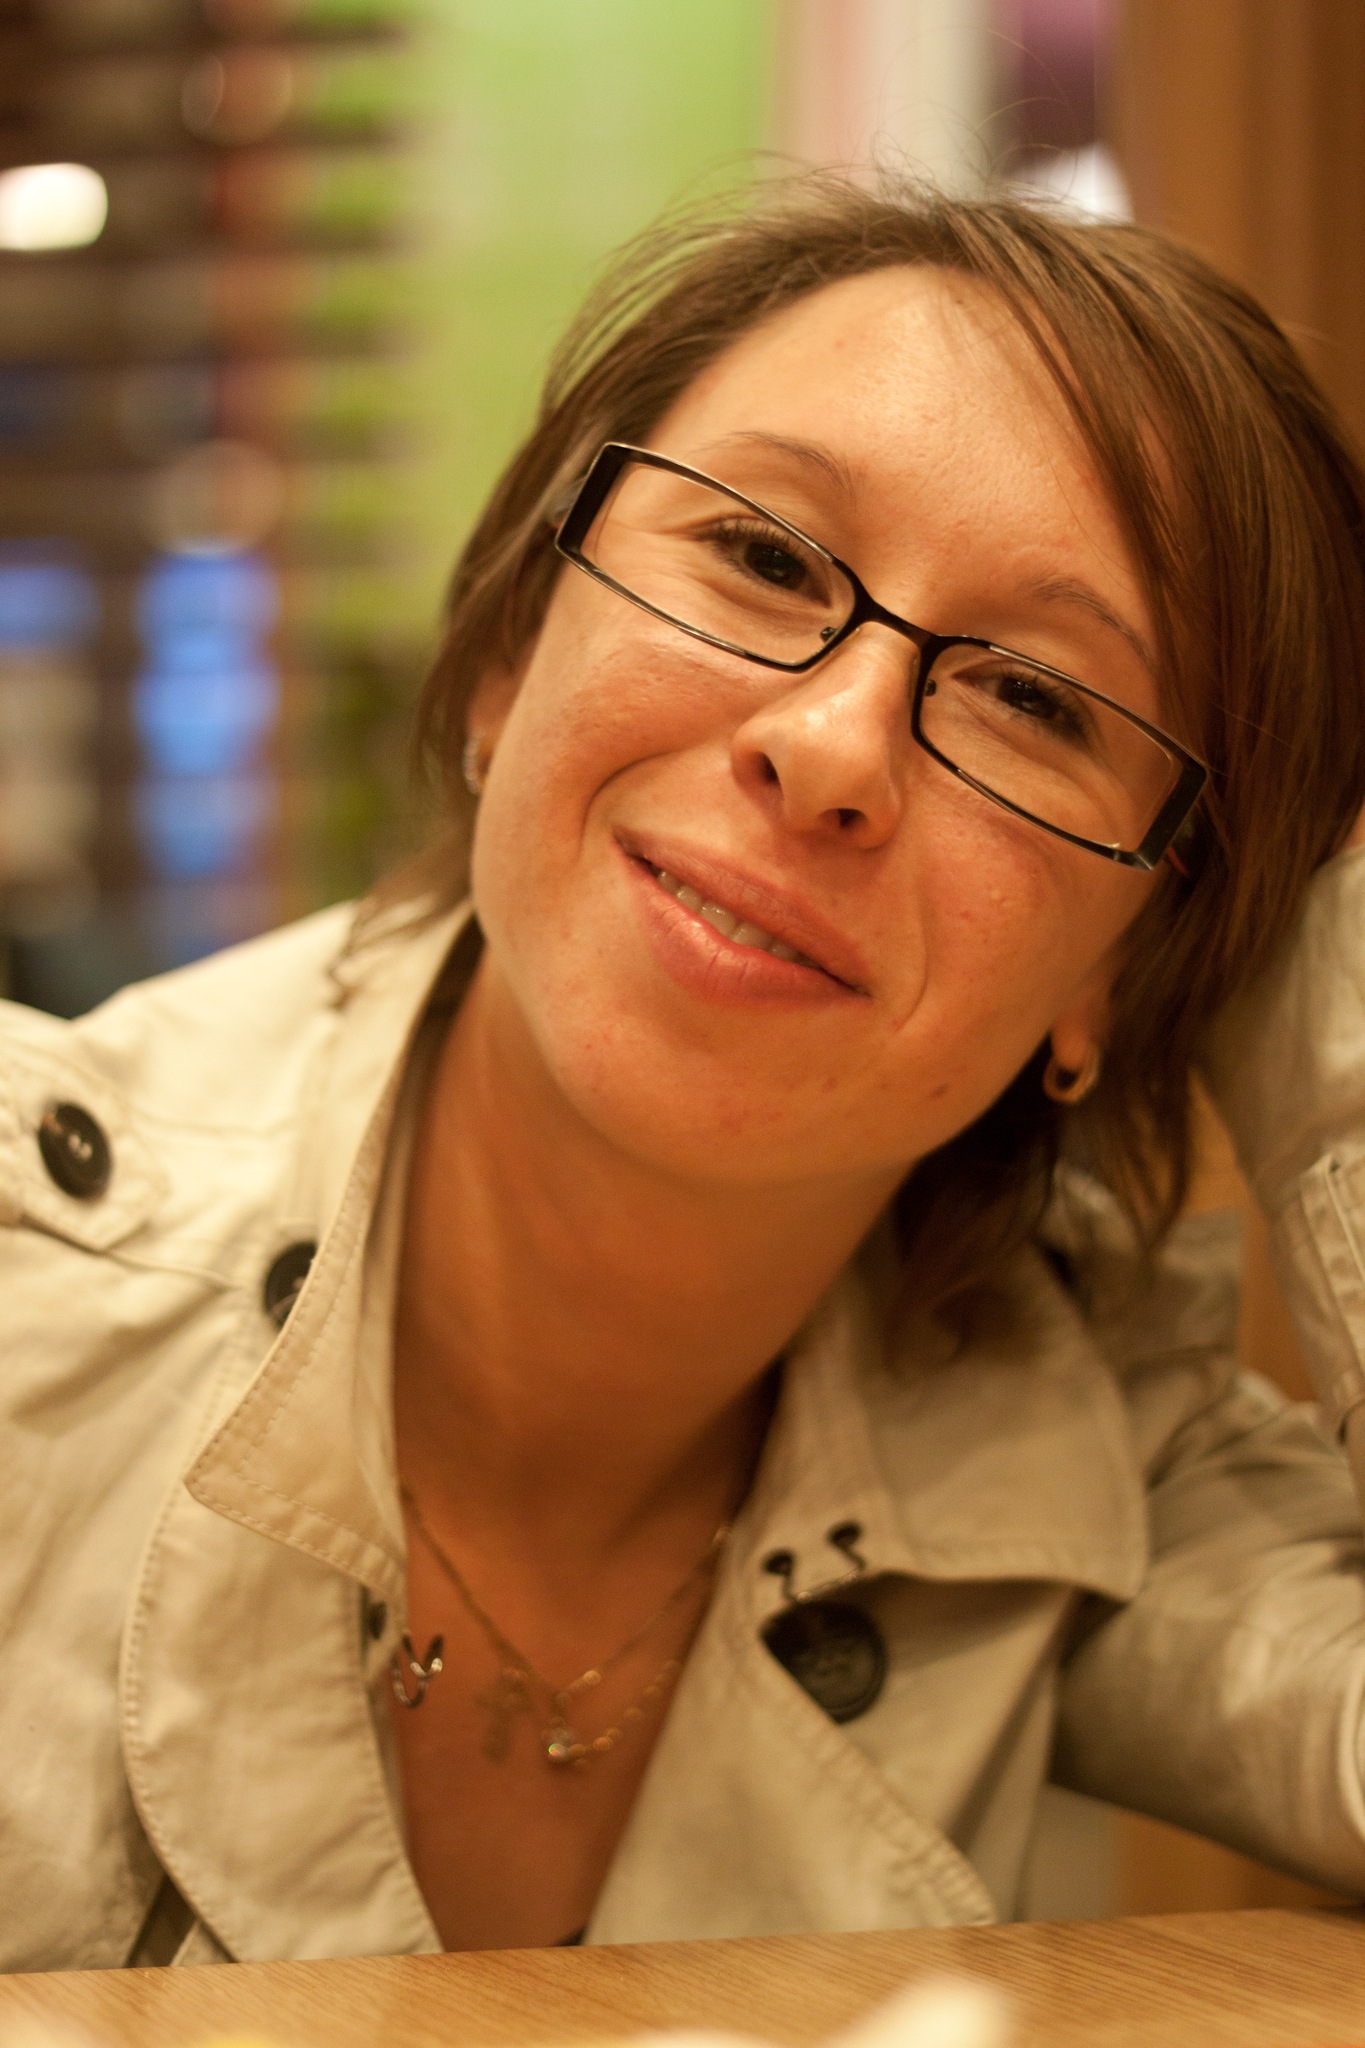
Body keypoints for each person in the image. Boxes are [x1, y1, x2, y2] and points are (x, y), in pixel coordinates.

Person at [4, 174, 1365, 1973]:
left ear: (1133, 959)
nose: (831, 745)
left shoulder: (1077, 1443)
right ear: (509, 654)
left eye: (1037, 702)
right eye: (764, 558)